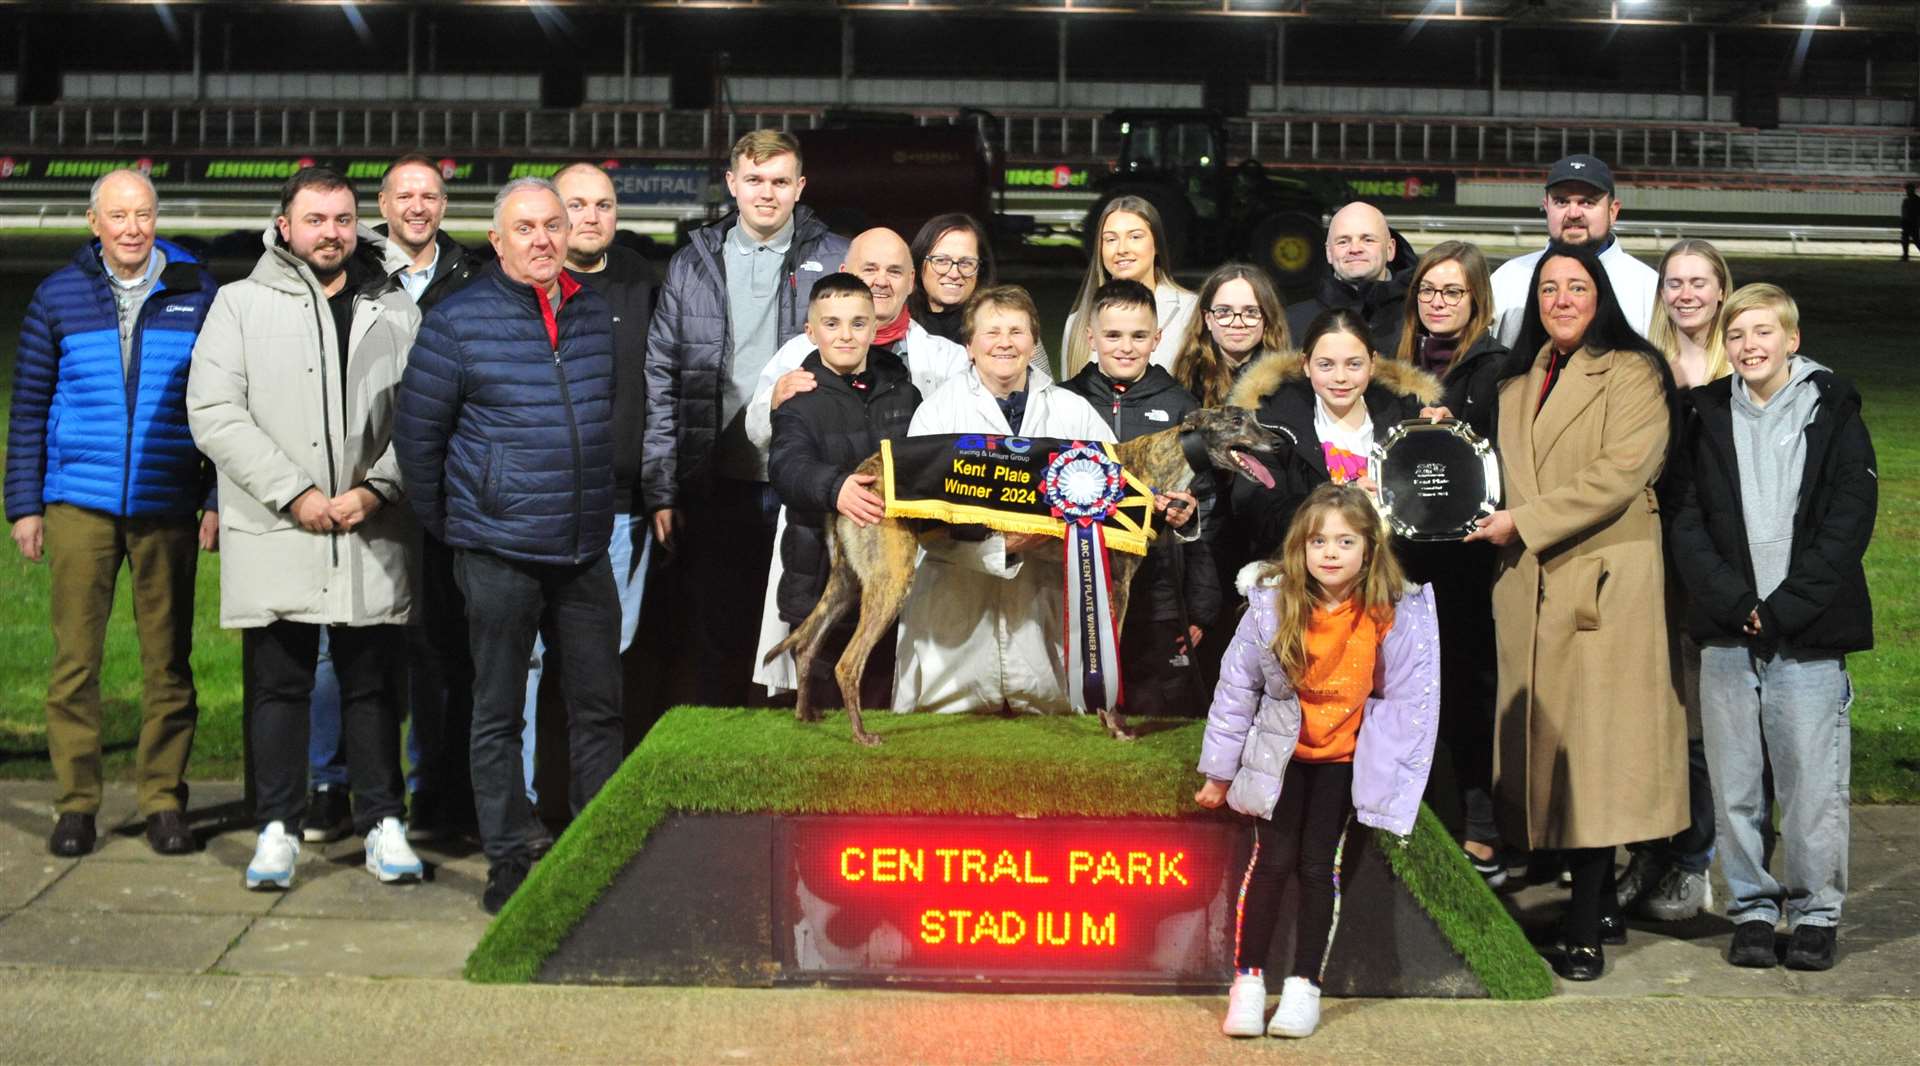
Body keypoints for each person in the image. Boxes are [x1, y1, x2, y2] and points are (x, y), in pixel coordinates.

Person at [186, 167, 425, 889]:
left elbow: (426, 415)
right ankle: (278, 829)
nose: (332, 233)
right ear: (284, 226)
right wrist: (295, 493)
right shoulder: (239, 304)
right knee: (279, 685)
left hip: (369, 526)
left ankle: (384, 822)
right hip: (279, 526)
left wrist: (377, 489)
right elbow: (214, 411)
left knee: (373, 685)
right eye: (316, 219)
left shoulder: (397, 307)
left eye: (344, 220)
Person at [394, 177, 621, 915]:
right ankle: (508, 859)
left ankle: (594, 853)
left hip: (584, 548)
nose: (543, 239)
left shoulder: (592, 316)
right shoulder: (457, 323)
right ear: (497, 241)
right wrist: (462, 523)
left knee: (597, 709)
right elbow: (417, 442)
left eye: (553, 226)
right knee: (497, 712)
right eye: (525, 228)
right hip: (498, 551)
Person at [1464, 240, 1688, 981]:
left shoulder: (1633, 372)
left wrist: (1520, 523)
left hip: (1601, 587)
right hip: (1529, 587)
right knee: (1546, 762)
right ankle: (1583, 905)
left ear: (1602, 298)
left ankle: (1588, 921)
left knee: (1593, 763)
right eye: (1549, 288)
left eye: (1577, 287)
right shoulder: (1517, 379)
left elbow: (1620, 475)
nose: (1562, 299)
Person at [5, 168, 220, 858]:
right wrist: (24, 506)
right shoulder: (59, 295)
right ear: (93, 224)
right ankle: (77, 805)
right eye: (118, 216)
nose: (132, 228)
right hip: (78, 504)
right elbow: (30, 407)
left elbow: (223, 405)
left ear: (158, 218)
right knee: (75, 665)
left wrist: (214, 498)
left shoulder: (198, 292)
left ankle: (163, 801)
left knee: (169, 665)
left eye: (144, 214)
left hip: (168, 503)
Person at [1669, 283, 1876, 973]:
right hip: (1730, 631)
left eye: (1763, 332)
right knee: (1735, 787)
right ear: (1724, 347)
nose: (1750, 345)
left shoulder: (1834, 409)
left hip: (1806, 633)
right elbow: (1686, 520)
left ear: (1791, 339)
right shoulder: (1702, 417)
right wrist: (1736, 603)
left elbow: (1849, 521)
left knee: (1812, 784)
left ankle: (1816, 912)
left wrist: (1783, 608)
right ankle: (1753, 908)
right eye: (1737, 335)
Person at [1197, 482, 1439, 1039]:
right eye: (1318, 541)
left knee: (1316, 868)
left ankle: (1305, 986)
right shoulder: (1270, 607)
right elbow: (1235, 693)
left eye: (1345, 541)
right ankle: (1249, 982)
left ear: (1370, 549)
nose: (1330, 553)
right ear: (1299, 549)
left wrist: (1393, 782)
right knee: (1272, 864)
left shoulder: (1389, 613)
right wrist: (1219, 772)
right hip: (1280, 761)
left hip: (1341, 762)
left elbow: (1407, 702)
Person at [307, 152, 484, 847]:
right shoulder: (349, 270)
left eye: (431, 195)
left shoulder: (472, 276)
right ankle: (331, 783)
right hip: (360, 485)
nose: (418, 206)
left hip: (442, 488)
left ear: (444, 205)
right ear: (382, 203)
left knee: (438, 646)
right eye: (405, 195)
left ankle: (429, 788)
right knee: (344, 642)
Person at [642, 130, 850, 707]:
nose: (766, 193)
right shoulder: (692, 263)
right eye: (754, 180)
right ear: (732, 184)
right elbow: (662, 379)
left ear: (800, 187)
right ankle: (722, 731)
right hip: (717, 478)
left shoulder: (836, 257)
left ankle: (796, 727)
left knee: (801, 613)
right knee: (718, 619)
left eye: (780, 181)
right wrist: (662, 488)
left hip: (803, 478)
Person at [513, 162, 663, 824]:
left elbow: (662, 389)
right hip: (537, 510)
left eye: (604, 205)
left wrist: (659, 488)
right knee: (530, 663)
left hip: (621, 509)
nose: (592, 217)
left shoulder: (641, 281)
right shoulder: (526, 283)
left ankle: (589, 809)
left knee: (603, 665)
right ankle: (518, 806)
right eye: (577, 205)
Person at [893, 286, 1115, 715]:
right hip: (954, 620)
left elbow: (1110, 498)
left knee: (1049, 752)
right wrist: (1000, 547)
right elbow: (920, 519)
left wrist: (1041, 539)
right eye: (991, 331)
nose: (1005, 342)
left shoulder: (1074, 412)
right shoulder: (936, 413)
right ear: (969, 345)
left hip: (1042, 608)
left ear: (1034, 342)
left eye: (1017, 331)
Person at [1617, 238, 1736, 921]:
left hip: (1710, 563)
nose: (1687, 293)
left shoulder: (1738, 362)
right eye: (1675, 282)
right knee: (1646, 716)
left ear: (1721, 289)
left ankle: (1695, 859)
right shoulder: (1648, 367)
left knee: (1695, 722)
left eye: (1699, 282)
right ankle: (1650, 853)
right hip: (1648, 553)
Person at [1391, 240, 1513, 888]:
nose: (1438, 302)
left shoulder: (1496, 369)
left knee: (1468, 691)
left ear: (1475, 300)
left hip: (1466, 562)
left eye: (1452, 292)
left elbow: (1503, 461)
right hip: (1399, 556)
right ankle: (1422, 818)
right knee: (1409, 692)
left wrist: (1451, 430)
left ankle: (1481, 828)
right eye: (1428, 291)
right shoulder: (1395, 366)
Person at [1060, 279, 1214, 715]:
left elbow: (1208, 503)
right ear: (1090, 337)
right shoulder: (1066, 400)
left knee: (1156, 714)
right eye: (1112, 335)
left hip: (1159, 595)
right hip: (1079, 591)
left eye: (1139, 336)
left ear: (1157, 339)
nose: (1125, 347)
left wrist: (1201, 605)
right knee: (1083, 717)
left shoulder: (1182, 406)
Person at [767, 274, 922, 705]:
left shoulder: (904, 393)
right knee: (816, 709)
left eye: (858, 323)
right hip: (817, 575)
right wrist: (835, 488)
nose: (846, 335)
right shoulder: (798, 396)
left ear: (875, 328)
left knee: (877, 698)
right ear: (810, 331)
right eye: (832, 324)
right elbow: (785, 466)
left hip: (883, 580)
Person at [1225, 308, 1439, 562]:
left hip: (1390, 576)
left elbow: (1430, 505)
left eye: (1354, 364)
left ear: (1372, 363)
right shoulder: (1271, 419)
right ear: (1306, 365)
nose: (1340, 377)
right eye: (1325, 365)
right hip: (1300, 578)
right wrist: (1342, 501)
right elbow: (1259, 512)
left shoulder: (1405, 416)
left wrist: (1442, 442)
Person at [1489, 155, 1658, 347]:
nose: (1573, 213)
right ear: (1546, 207)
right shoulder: (1507, 278)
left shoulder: (1649, 287)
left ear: (1613, 211)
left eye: (1587, 202)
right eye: (1561, 202)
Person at [1060, 196, 1196, 378]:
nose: (1122, 249)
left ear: (1156, 244)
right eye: (1110, 239)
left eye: (1135, 237)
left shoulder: (1190, 311)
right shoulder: (1078, 322)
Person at [1284, 202, 1415, 357]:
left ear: (1390, 249)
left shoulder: (1419, 314)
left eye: (1368, 240)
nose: (1355, 249)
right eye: (1343, 241)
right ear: (1329, 253)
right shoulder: (1291, 322)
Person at [1172, 262, 1292, 409]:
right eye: (1224, 311)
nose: (1237, 323)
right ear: (1208, 319)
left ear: (1267, 319)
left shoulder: (1289, 385)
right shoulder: (1185, 381)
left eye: (1251, 312)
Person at [906, 212, 995, 346]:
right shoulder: (894, 322)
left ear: (981, 269)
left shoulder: (1004, 320)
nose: (954, 274)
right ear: (918, 264)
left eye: (966, 263)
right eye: (941, 260)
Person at [1901, 183, 1918, 262]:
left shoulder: (1909, 200)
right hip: (1909, 222)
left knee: (1912, 239)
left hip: (1912, 222)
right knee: (1910, 239)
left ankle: (1905, 255)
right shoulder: (1913, 200)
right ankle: (1905, 255)